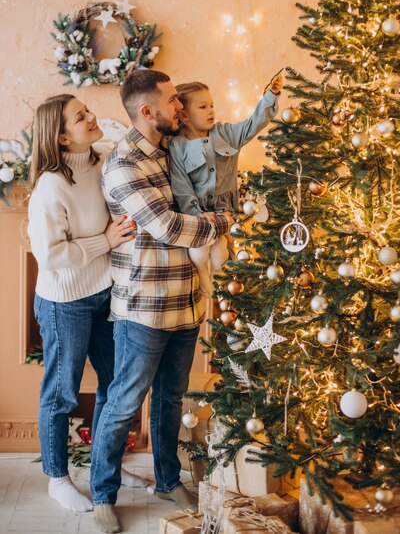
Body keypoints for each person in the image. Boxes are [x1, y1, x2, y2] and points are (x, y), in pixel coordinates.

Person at [89, 70, 230, 534]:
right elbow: (169, 227)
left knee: (171, 398)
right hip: (144, 309)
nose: (181, 108)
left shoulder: (174, 148)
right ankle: (102, 496)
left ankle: (168, 479)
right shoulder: (124, 164)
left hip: (187, 303)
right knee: (124, 402)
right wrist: (223, 222)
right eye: (172, 101)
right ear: (148, 112)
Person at [27, 94, 146, 514]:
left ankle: (106, 464)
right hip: (65, 303)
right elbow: (50, 255)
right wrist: (105, 241)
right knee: (61, 393)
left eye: (87, 110)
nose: (93, 117)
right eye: (81, 117)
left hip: (104, 294)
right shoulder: (50, 186)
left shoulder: (102, 161)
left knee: (115, 385)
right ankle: (57, 479)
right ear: (61, 137)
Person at [169, 73, 283, 297]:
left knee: (221, 254)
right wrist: (196, 214)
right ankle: (202, 275)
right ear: (183, 114)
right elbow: (181, 186)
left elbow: (253, 124)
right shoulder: (177, 146)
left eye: (211, 105)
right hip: (197, 215)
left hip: (224, 213)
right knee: (200, 252)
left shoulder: (226, 134)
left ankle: (222, 290)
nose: (211, 111)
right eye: (203, 107)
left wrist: (271, 96)